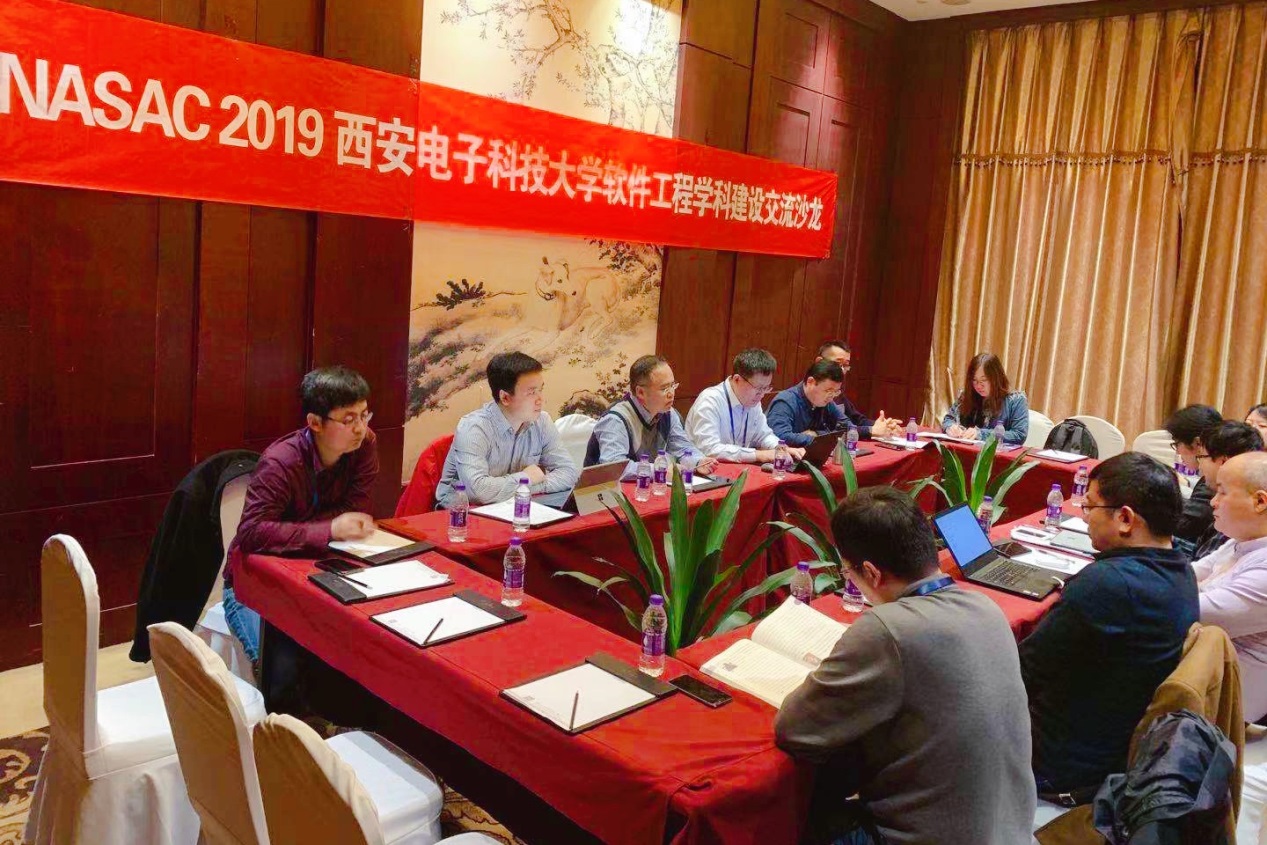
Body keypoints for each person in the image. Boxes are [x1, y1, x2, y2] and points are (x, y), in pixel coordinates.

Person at [775, 487, 1034, 845]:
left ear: (871, 572)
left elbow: (794, 729)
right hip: (1010, 831)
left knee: (792, 816)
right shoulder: (986, 608)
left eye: (848, 572)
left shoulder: (888, 630)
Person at [1020, 453, 1198, 800]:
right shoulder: (1181, 569)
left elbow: (1024, 672)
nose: (1085, 517)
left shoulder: (1108, 584)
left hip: (1060, 763)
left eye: (1090, 507)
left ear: (1125, 518)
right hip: (1111, 747)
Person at [226, 365, 380, 664]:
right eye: (348, 419)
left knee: (349, 652)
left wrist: (315, 529)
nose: (360, 428)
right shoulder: (281, 462)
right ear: (315, 423)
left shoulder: (364, 446)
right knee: (277, 668)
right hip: (255, 579)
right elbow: (251, 532)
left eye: (364, 415)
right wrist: (329, 529)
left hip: (321, 568)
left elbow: (356, 508)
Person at [435, 352, 579, 508]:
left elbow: (569, 473)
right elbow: (478, 491)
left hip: (513, 507)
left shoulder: (542, 421)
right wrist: (526, 478)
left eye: (540, 390)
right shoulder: (474, 428)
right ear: (505, 397)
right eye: (531, 392)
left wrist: (528, 487)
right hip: (461, 514)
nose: (541, 399)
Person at [1192, 451, 1267, 723]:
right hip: (1197, 673)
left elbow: (1190, 612)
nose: (1213, 502)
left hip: (1222, 711)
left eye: (1222, 492)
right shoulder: (1242, 541)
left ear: (1260, 501)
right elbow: (1186, 575)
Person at [583, 354, 717, 474]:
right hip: (603, 492)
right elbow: (614, 468)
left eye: (672, 386)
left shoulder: (668, 413)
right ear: (641, 392)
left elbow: (682, 447)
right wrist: (658, 470)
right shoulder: (616, 419)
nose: (671, 394)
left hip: (645, 488)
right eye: (664, 388)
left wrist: (699, 461)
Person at [685, 348, 806, 464]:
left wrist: (781, 448)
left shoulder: (753, 401)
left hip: (737, 469)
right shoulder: (710, 401)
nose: (762, 394)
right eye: (758, 388)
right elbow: (710, 449)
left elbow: (763, 435)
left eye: (766, 388)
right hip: (702, 472)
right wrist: (759, 455)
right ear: (737, 379)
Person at [1189, 421, 1264, 560]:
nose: (1213, 502)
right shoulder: (1232, 541)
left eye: (1201, 457)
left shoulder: (1238, 522)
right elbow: (1201, 565)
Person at [1163, 403, 1223, 547]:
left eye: (1177, 444)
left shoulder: (1215, 477)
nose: (1177, 452)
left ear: (1197, 443)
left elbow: (1183, 526)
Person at [815, 340, 902, 439]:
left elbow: (856, 421)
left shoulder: (838, 393)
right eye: (837, 364)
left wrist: (882, 426)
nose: (842, 370)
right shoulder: (811, 392)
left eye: (845, 365)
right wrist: (871, 430)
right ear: (819, 362)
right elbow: (828, 431)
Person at [940, 352, 1029, 445]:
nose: (978, 386)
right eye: (974, 380)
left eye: (983, 380)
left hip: (997, 453)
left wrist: (981, 434)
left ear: (996, 378)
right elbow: (949, 419)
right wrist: (950, 427)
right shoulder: (966, 396)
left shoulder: (1016, 400)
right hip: (963, 449)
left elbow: (1019, 435)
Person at [766, 360, 848, 448]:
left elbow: (848, 426)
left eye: (836, 392)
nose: (832, 397)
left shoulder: (826, 401)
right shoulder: (785, 402)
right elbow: (780, 436)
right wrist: (817, 439)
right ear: (810, 382)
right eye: (828, 391)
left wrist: (818, 434)